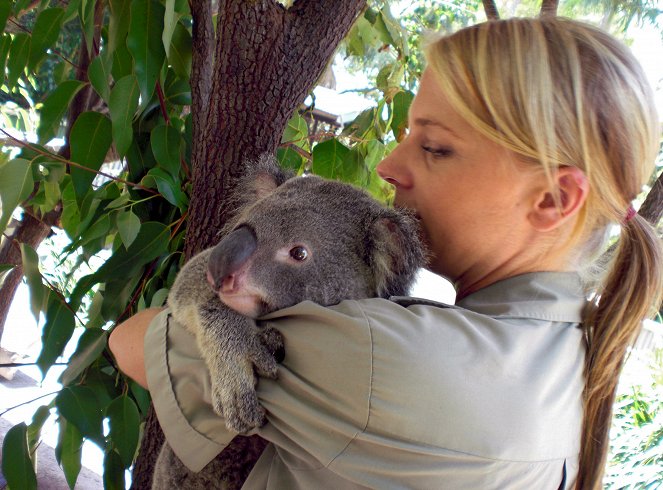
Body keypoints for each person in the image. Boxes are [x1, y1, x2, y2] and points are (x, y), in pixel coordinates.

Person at [110, 17, 662, 489]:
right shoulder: (569, 351)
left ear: (552, 198)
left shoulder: (388, 356)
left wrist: (214, 317)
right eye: (405, 136)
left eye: (435, 147)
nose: (388, 167)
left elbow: (133, 343)